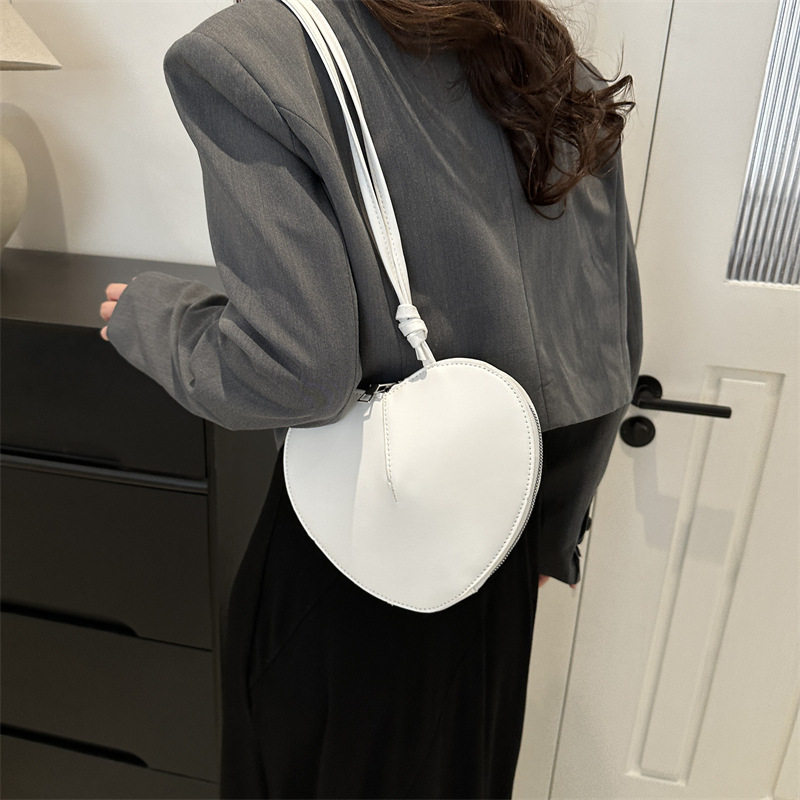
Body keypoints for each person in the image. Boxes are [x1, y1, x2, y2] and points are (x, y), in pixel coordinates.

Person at [99, 0, 643, 796]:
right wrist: (549, 534)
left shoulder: (253, 55)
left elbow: (294, 372)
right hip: (500, 555)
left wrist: (160, 320)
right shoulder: (548, 64)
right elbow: (603, 346)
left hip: (352, 563)